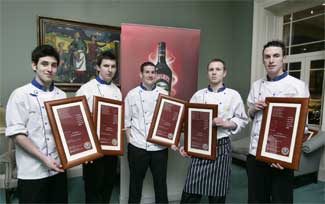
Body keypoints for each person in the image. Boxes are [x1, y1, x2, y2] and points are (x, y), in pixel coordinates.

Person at [246, 40, 310, 203]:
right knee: (256, 199)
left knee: (282, 200)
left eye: (276, 56)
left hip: (281, 156)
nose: (271, 60)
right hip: (256, 154)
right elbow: (250, 114)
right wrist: (254, 108)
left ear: (284, 59)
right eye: (267, 57)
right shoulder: (256, 85)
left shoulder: (298, 86)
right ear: (263, 60)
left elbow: (302, 126)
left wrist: (286, 157)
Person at [179, 58, 248, 203]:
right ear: (207, 73)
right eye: (211, 70)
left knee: (217, 194)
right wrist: (187, 146)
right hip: (200, 147)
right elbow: (189, 122)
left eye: (218, 69)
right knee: (190, 193)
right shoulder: (198, 95)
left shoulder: (233, 95)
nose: (214, 72)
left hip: (222, 147)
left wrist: (226, 123)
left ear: (224, 73)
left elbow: (242, 120)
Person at [5, 44, 68, 203]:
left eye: (53, 65)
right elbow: (18, 135)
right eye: (44, 64)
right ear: (34, 65)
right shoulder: (19, 95)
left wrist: (80, 153)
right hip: (32, 171)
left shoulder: (62, 95)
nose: (49, 69)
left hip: (58, 168)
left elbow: (66, 130)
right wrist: (44, 159)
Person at [75, 50, 122, 203]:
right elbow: (78, 123)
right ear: (98, 67)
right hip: (92, 151)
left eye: (113, 66)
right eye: (106, 66)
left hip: (111, 149)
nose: (110, 70)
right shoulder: (85, 89)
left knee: (108, 187)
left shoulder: (117, 91)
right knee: (93, 190)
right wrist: (84, 151)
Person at [124, 61, 170, 203]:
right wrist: (130, 141)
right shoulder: (131, 95)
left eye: (153, 72)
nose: (150, 75)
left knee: (160, 184)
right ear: (141, 74)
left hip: (159, 147)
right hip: (137, 147)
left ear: (156, 75)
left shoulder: (164, 94)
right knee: (135, 184)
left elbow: (169, 120)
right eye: (147, 72)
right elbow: (127, 122)